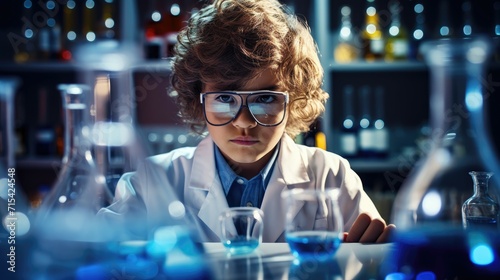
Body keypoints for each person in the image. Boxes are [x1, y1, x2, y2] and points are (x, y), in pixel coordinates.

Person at [100, 0, 395, 243]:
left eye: (264, 99)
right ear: (197, 97)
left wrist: (370, 259)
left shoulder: (331, 176)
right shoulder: (153, 181)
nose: (244, 122)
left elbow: (375, 260)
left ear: (293, 99)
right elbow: (94, 258)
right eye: (225, 99)